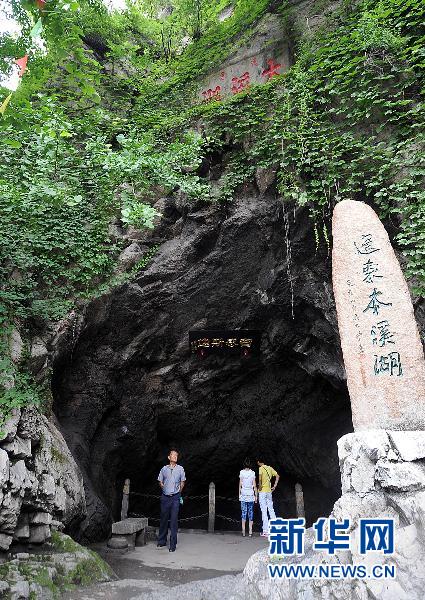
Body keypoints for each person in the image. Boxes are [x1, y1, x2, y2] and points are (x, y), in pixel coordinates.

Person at [157, 448, 186, 552]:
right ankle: (161, 541)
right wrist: (164, 488)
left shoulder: (180, 469)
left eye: (176, 456)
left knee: (174, 520)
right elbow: (160, 481)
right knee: (164, 518)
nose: (175, 457)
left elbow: (182, 482)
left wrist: (178, 491)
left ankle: (172, 545)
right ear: (169, 457)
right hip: (165, 497)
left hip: (175, 497)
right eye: (173, 455)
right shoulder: (164, 469)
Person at [257, 458, 280, 537]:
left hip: (263, 491)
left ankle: (266, 531)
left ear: (259, 462)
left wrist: (258, 490)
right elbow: (277, 476)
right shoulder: (270, 468)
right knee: (271, 509)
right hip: (269, 491)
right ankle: (275, 529)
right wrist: (274, 486)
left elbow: (260, 480)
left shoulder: (260, 468)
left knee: (264, 510)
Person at [239, 458, 257, 537]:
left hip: (243, 494)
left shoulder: (241, 472)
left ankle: (243, 531)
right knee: (250, 512)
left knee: (243, 512)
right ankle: (250, 531)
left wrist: (239, 494)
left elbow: (240, 484)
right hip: (250, 495)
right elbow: (254, 485)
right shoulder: (252, 473)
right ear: (250, 465)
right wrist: (256, 496)